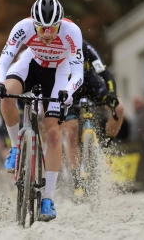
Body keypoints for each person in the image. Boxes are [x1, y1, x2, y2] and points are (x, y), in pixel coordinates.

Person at [0, 0, 84, 221]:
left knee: (53, 132)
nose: (48, 34)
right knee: (7, 97)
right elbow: (3, 62)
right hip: (31, 63)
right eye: (42, 29)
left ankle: (48, 198)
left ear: (60, 24)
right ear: (34, 23)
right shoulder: (22, 27)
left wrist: (68, 92)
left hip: (59, 73)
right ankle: (15, 148)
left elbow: (78, 73)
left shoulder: (72, 32)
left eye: (52, 29)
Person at [62, 40, 124, 197]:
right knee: (71, 132)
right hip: (68, 91)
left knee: (119, 107)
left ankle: (106, 146)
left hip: (91, 86)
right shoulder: (57, 47)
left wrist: (111, 93)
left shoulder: (85, 47)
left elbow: (105, 73)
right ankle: (77, 180)